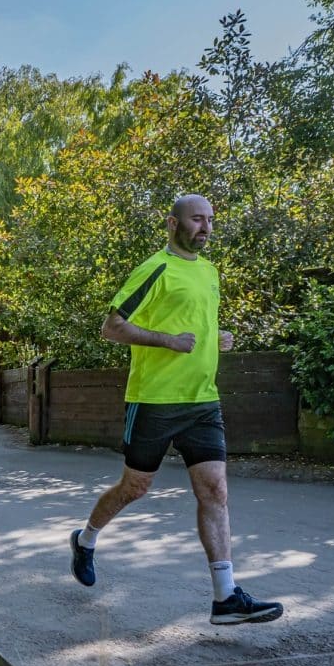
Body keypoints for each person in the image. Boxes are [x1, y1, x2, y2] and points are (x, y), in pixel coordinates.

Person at [69, 194, 283, 626]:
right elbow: (112, 327)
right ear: (172, 223)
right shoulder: (155, 268)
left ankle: (225, 597)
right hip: (154, 401)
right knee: (135, 488)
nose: (205, 227)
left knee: (215, 491)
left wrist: (215, 335)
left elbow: (193, 320)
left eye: (210, 220)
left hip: (203, 401)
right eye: (196, 219)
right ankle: (86, 538)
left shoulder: (208, 270)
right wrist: (167, 341)